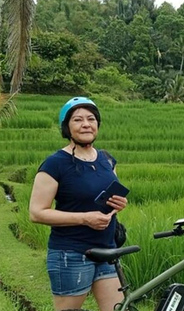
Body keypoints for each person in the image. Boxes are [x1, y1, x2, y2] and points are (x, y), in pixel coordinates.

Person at [29, 97, 128, 311]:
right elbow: (36, 213)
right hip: (70, 253)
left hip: (107, 251)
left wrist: (118, 203)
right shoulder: (55, 164)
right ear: (67, 127)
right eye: (78, 119)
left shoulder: (107, 160)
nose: (86, 124)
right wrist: (84, 218)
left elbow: (106, 199)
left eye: (91, 119)